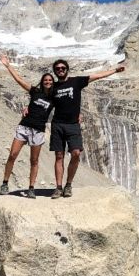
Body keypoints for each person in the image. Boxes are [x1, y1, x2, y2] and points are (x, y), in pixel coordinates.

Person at [49, 58, 125, 198]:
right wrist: (28, 109)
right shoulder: (52, 87)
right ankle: (58, 187)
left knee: (76, 153)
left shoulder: (76, 81)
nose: (60, 70)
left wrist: (114, 70)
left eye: (62, 68)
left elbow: (96, 76)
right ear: (55, 71)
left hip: (73, 125)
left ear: (67, 69)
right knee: (59, 156)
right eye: (57, 69)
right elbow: (39, 97)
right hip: (57, 124)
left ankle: (69, 185)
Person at [0, 54, 56, 198]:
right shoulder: (35, 92)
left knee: (34, 160)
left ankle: (31, 188)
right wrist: (8, 66)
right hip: (24, 126)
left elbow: (68, 102)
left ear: (52, 83)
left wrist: (77, 115)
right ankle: (4, 183)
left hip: (38, 131)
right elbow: (19, 80)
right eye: (45, 80)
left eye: (50, 80)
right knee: (12, 155)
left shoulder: (54, 98)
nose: (47, 82)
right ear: (42, 82)